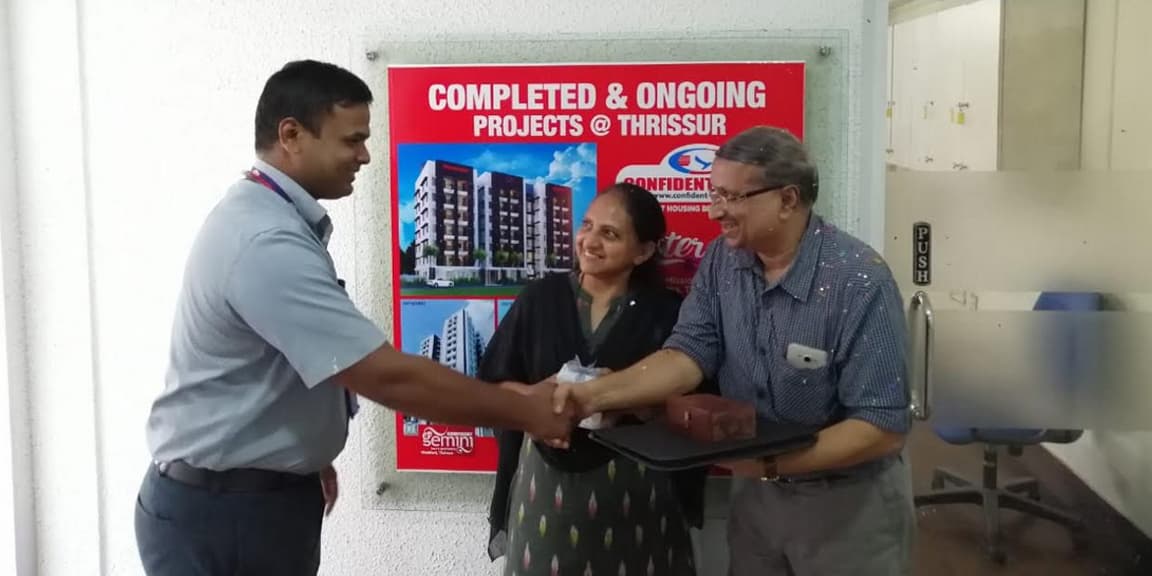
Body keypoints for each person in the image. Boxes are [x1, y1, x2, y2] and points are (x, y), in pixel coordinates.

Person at [134, 59, 573, 576]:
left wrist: (303, 455)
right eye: (352, 140)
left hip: (256, 498)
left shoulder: (271, 219)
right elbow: (386, 376)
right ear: (291, 135)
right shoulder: (265, 241)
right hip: (225, 517)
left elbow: (282, 362)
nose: (364, 155)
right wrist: (526, 412)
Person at [555, 126, 915, 575]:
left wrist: (769, 463)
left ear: (787, 200)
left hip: (847, 505)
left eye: (730, 197)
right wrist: (592, 395)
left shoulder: (860, 282)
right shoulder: (721, 262)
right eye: (713, 194)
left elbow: (882, 426)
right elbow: (687, 355)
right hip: (757, 498)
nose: (714, 211)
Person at [480, 183, 710, 576]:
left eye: (610, 234)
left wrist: (632, 402)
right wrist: (536, 401)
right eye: (586, 225)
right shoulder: (540, 299)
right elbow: (491, 387)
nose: (589, 241)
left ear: (644, 251)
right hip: (545, 490)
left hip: (637, 491)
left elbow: (697, 409)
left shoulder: (669, 314)